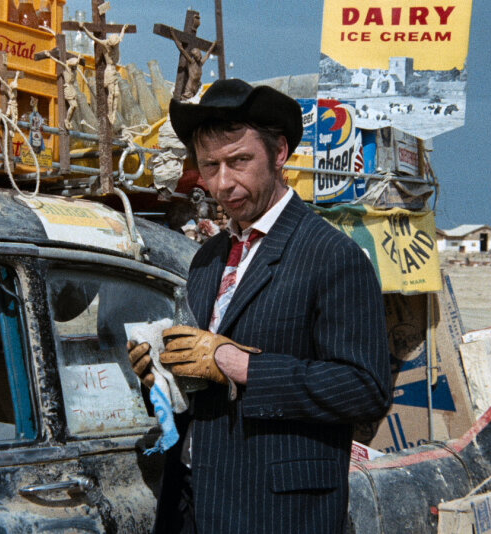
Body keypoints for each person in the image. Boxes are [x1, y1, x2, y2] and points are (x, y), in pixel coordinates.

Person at [128, 79, 392, 534]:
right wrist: (162, 378)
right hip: (194, 502)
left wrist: (238, 364)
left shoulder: (332, 255)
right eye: (210, 166)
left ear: (279, 153)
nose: (223, 183)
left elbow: (365, 389)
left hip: (276, 514)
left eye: (239, 161)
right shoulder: (209, 257)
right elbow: (203, 384)